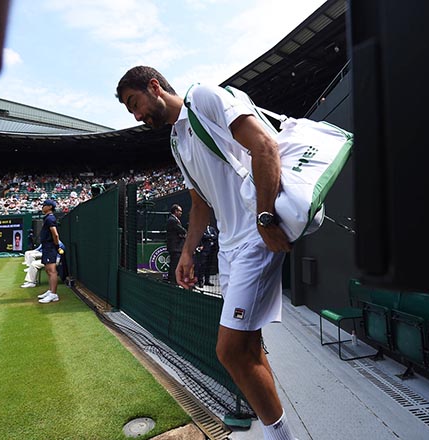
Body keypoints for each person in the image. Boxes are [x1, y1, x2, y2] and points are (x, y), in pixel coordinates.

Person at [117, 66, 295, 440]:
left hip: (253, 237)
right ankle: (277, 433)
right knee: (247, 346)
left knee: (229, 351)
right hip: (230, 246)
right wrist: (186, 254)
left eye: (135, 103)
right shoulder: (176, 142)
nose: (136, 116)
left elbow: (265, 145)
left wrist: (264, 218)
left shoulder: (205, 97)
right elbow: (200, 205)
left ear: (154, 87)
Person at [37, 199, 62, 304]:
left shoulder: (50, 218)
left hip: (50, 246)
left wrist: (56, 246)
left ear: (50, 207)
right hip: (46, 246)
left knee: (52, 270)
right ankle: (50, 290)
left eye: (44, 205)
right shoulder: (47, 218)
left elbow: (55, 234)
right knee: (48, 270)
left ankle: (53, 294)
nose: (43, 207)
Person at [166, 204, 186, 284]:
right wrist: (183, 234)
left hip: (177, 246)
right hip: (175, 247)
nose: (181, 213)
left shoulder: (175, 220)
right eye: (180, 211)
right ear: (175, 211)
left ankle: (173, 280)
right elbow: (182, 230)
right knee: (174, 264)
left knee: (175, 264)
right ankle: (173, 281)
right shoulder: (172, 220)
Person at [195, 222, 218, 287]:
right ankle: (200, 281)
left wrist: (209, 236)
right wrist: (211, 236)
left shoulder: (212, 229)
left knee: (209, 266)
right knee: (202, 266)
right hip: (204, 250)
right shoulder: (201, 228)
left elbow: (216, 236)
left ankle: (207, 281)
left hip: (212, 250)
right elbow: (203, 236)